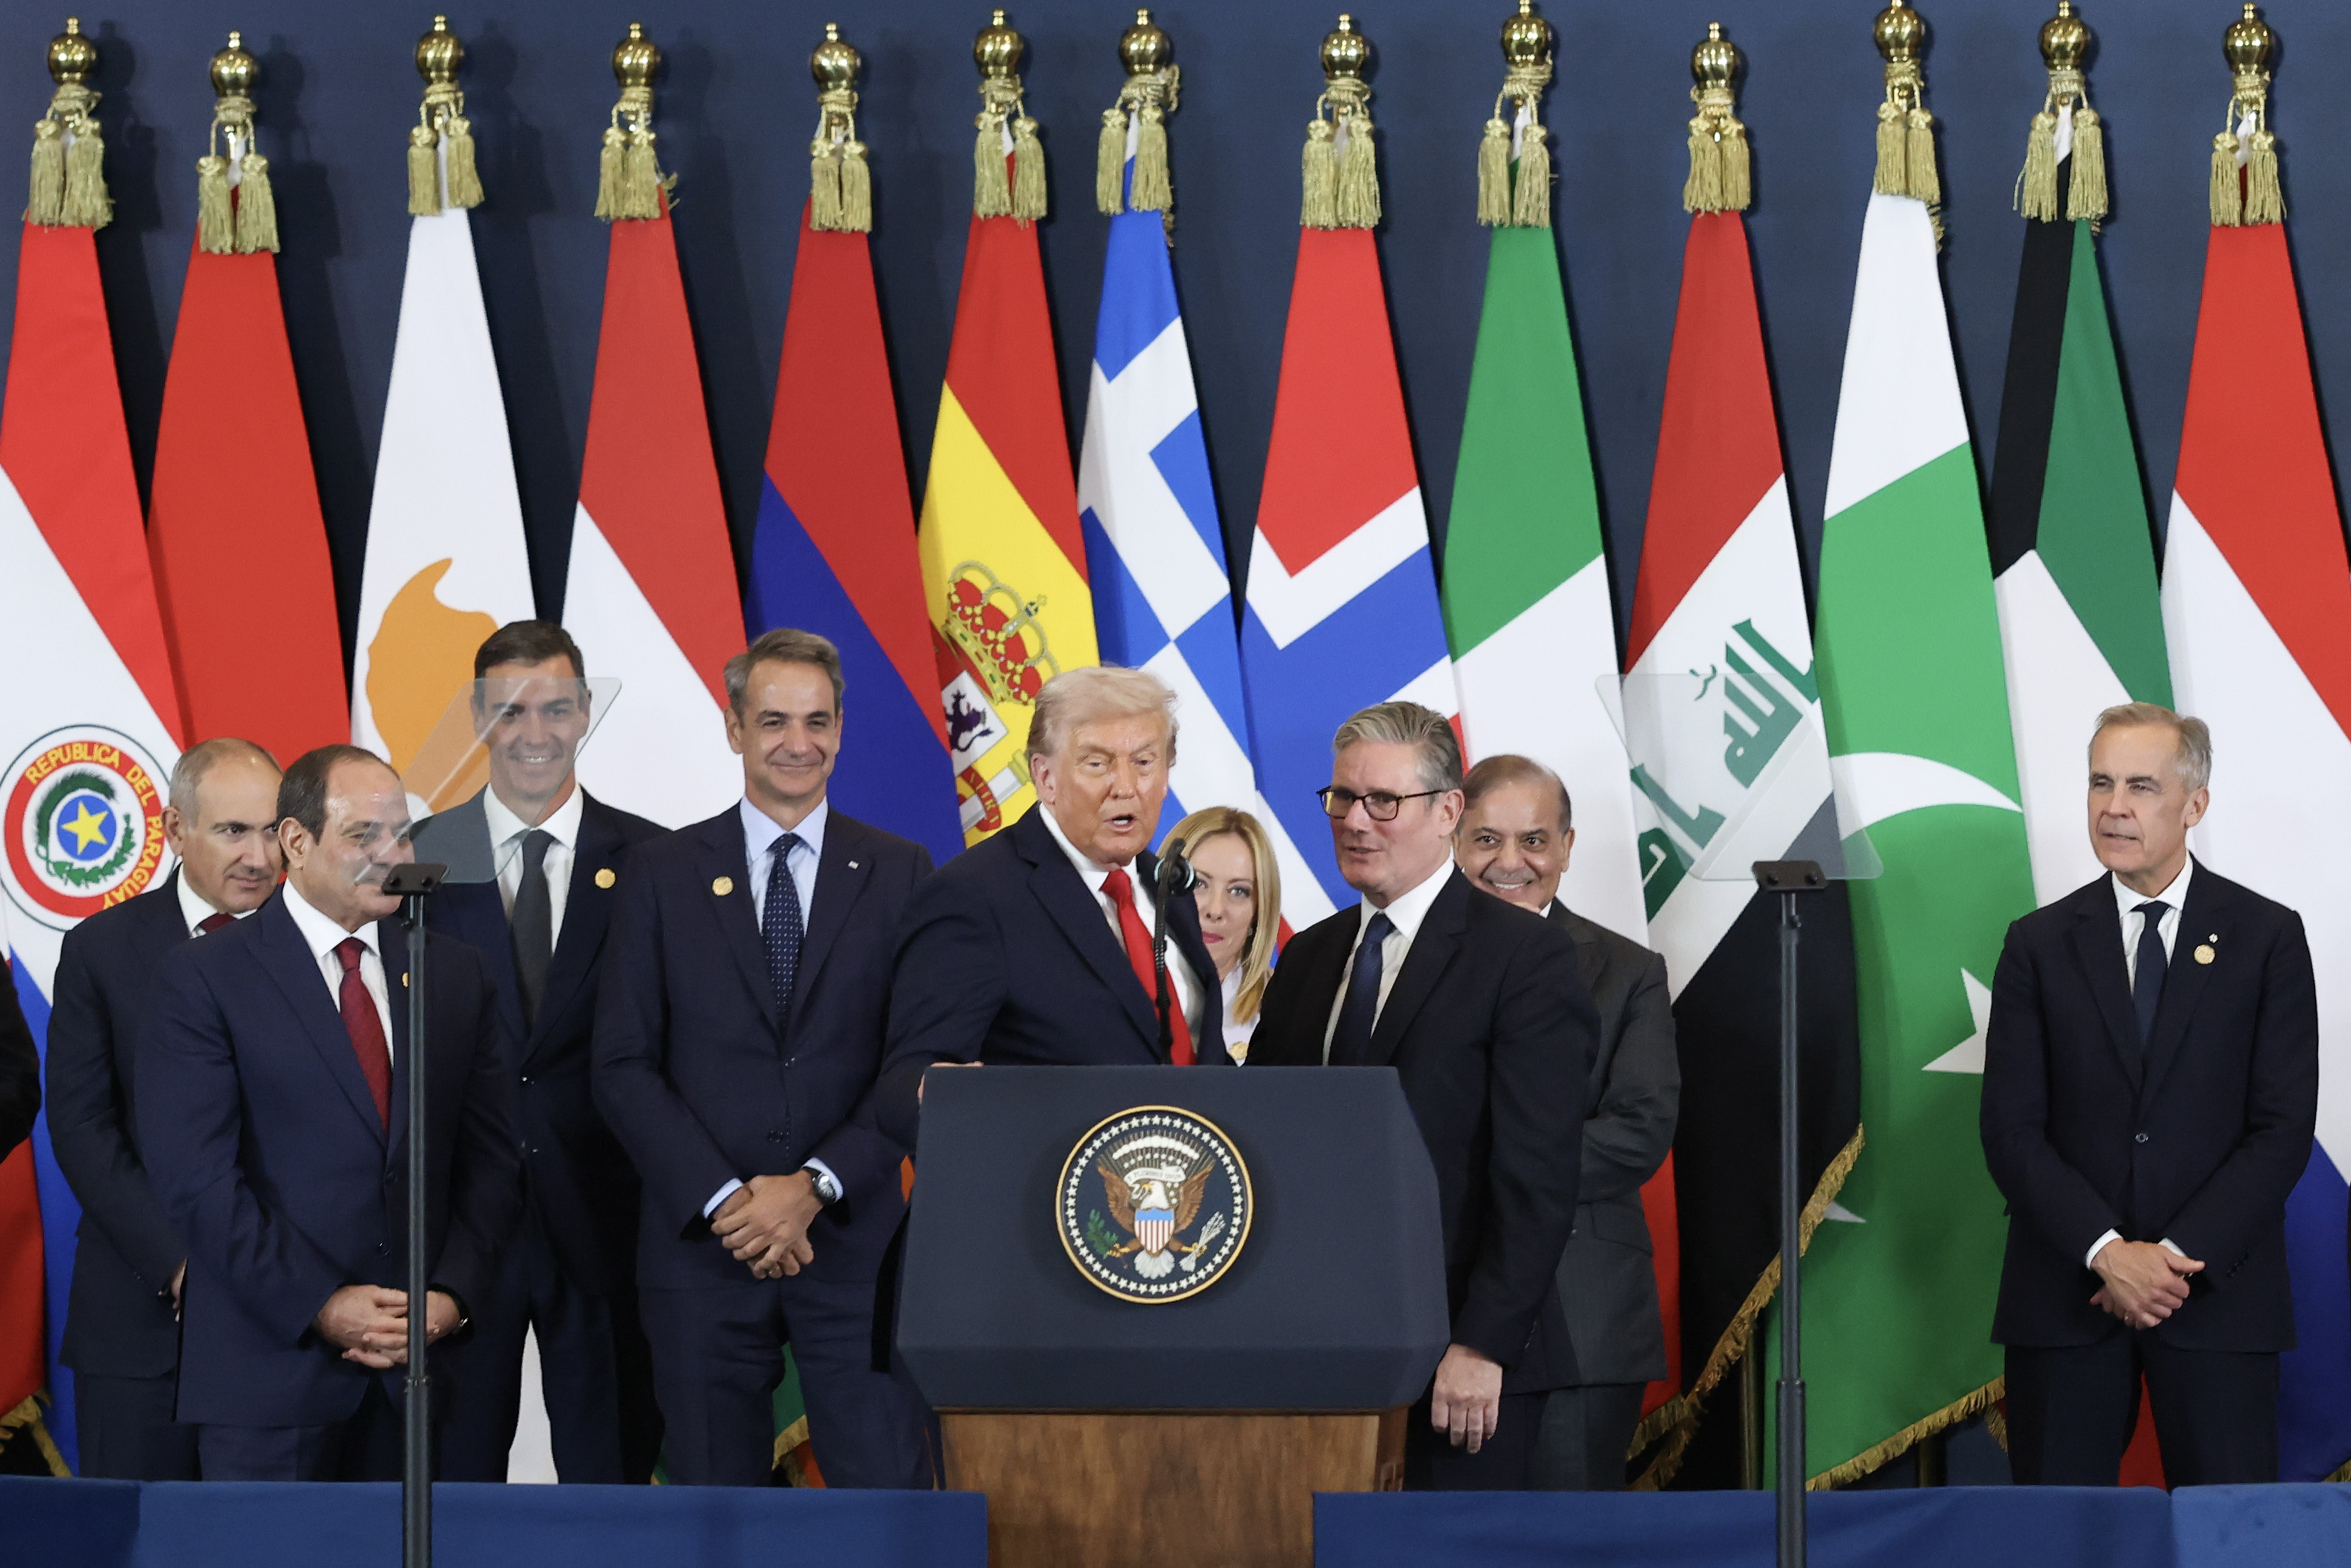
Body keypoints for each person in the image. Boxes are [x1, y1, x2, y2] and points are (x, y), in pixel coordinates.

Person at [592, 629, 934, 1488]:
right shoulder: (659, 872)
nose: (797, 742)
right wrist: (729, 1201)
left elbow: (916, 1060)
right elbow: (622, 1062)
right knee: (715, 1508)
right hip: (702, 1252)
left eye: (817, 721)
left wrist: (811, 1184)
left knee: (882, 1501)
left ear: (841, 729)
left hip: (853, 1246)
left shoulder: (901, 870)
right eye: (774, 719)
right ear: (733, 726)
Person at [138, 745, 520, 1481]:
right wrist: (319, 1302)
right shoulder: (203, 976)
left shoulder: (454, 971)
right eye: (362, 835)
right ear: (295, 841)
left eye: (400, 833)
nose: (390, 854)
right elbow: (198, 1180)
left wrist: (450, 1295)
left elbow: (492, 1158)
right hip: (269, 1378)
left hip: (426, 1375)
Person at [1249, 703, 1595, 1489]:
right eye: (1342, 798)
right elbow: (1270, 1144)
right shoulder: (1308, 958)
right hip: (1315, 1350)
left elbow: (1536, 1174)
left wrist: (1480, 1344)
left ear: (1447, 812)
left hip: (1460, 1368)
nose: (1355, 821)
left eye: (1383, 802)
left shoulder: (1524, 956)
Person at [1982, 703, 2318, 1487]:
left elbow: (2279, 1129)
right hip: (2066, 1294)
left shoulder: (2265, 936)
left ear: (2193, 804)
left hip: (2216, 1299)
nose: (2113, 806)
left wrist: (2164, 1261)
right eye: (2100, 782)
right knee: (2059, 1539)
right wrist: (2105, 1251)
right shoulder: (2036, 943)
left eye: (2139, 785)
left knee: (2226, 1540)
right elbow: (2009, 1129)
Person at [410, 622, 665, 1484]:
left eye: (557, 708)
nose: (534, 731)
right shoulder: (416, 862)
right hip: (458, 1227)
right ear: (477, 716)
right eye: (510, 710)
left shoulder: (656, 861)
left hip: (611, 1217)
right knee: (454, 1480)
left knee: (615, 1474)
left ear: (586, 712)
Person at [46, 739, 282, 1479]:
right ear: (176, 830)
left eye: (274, 830)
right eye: (233, 830)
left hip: (289, 1317)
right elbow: (84, 1127)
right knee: (137, 1539)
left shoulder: (320, 948)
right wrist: (183, 1267)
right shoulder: (100, 949)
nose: (259, 855)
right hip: (141, 1317)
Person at [873, 666, 1229, 1156]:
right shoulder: (974, 897)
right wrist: (938, 1095)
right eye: (1098, 764)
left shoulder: (1170, 887)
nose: (1126, 787)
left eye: (1144, 762)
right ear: (1045, 777)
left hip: (1184, 1204)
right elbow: (904, 1084)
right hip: (1044, 1205)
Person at [1453, 755, 1677, 1492]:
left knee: (1570, 1542)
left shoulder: (1627, 970)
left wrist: (1482, 1168)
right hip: (1440, 1308)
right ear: (1451, 837)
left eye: (1534, 840)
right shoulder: (1413, 960)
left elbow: (1639, 1129)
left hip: (1582, 1316)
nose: (1509, 862)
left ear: (1568, 846)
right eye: (1485, 839)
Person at [1166, 805, 1281, 1064]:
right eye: (1198, 884)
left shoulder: (1286, 1010)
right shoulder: (1120, 993)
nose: (1215, 910)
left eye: (1239, 891)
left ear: (1259, 912)